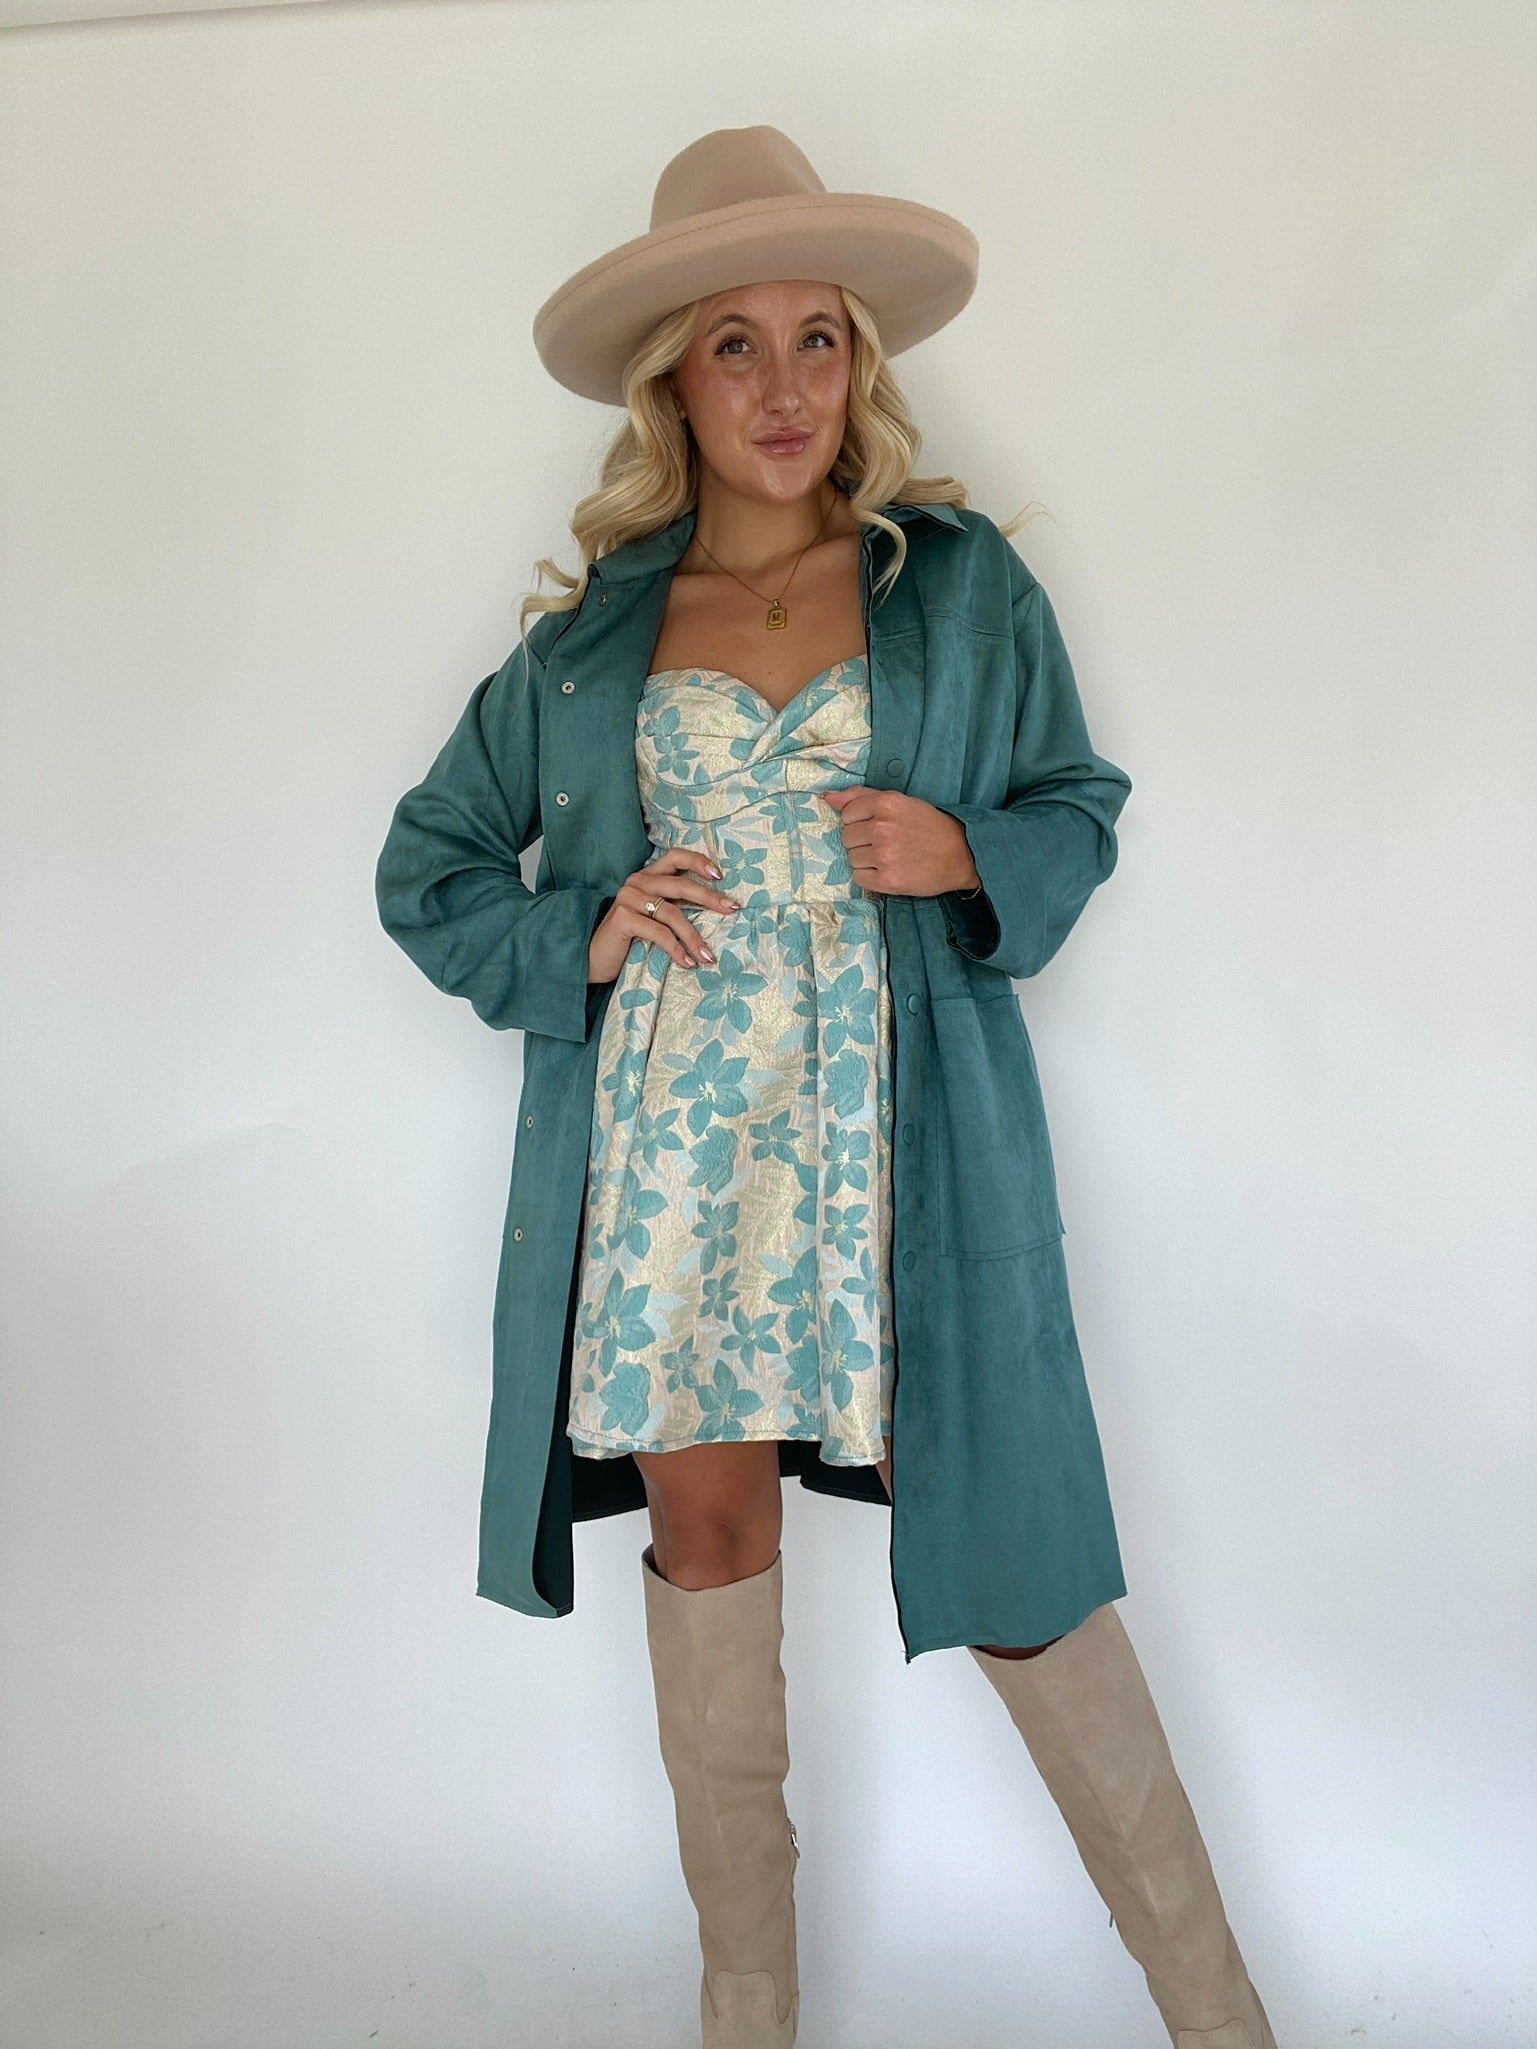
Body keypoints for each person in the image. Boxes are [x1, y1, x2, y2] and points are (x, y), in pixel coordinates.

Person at [375, 125, 1278, 2049]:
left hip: (901, 1154)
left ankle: (1222, 2021)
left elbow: (1075, 803)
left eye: (817, 339)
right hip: (674, 1164)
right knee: (710, 1547)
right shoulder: (590, 642)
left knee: (1022, 1568)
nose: (784, 387)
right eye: (735, 343)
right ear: (672, 384)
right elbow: (429, 864)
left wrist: (964, 853)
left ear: (858, 365)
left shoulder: (956, 587)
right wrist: (580, 933)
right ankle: (747, 2020)